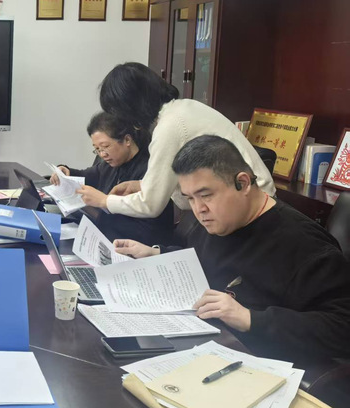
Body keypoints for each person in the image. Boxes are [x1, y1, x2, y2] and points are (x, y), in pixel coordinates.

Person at [114, 135, 350, 362]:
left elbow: (342, 327)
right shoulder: (215, 221)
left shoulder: (305, 245)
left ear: (243, 183)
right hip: (202, 339)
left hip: (256, 361)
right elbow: (205, 259)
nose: (198, 209)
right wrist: (157, 253)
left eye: (206, 195)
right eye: (190, 198)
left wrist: (249, 318)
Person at [91, 62, 275, 219]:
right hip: (248, 202)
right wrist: (141, 185)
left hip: (248, 210)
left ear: (131, 106)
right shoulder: (184, 107)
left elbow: (150, 205)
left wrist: (104, 201)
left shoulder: (170, 127)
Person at [50, 112, 175, 244]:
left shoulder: (150, 170)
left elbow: (146, 230)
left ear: (127, 140)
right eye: (97, 149)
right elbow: (86, 175)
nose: (102, 154)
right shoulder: (110, 165)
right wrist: (65, 171)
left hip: (140, 246)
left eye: (105, 147)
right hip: (107, 237)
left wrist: (96, 208)